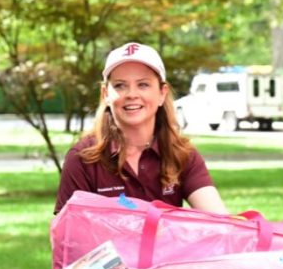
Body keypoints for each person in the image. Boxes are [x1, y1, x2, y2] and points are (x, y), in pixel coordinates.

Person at [54, 42, 227, 215]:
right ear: (105, 94)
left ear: (162, 93)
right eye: (120, 85)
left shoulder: (182, 154)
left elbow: (220, 220)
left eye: (143, 84)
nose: (132, 94)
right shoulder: (82, 159)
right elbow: (68, 229)